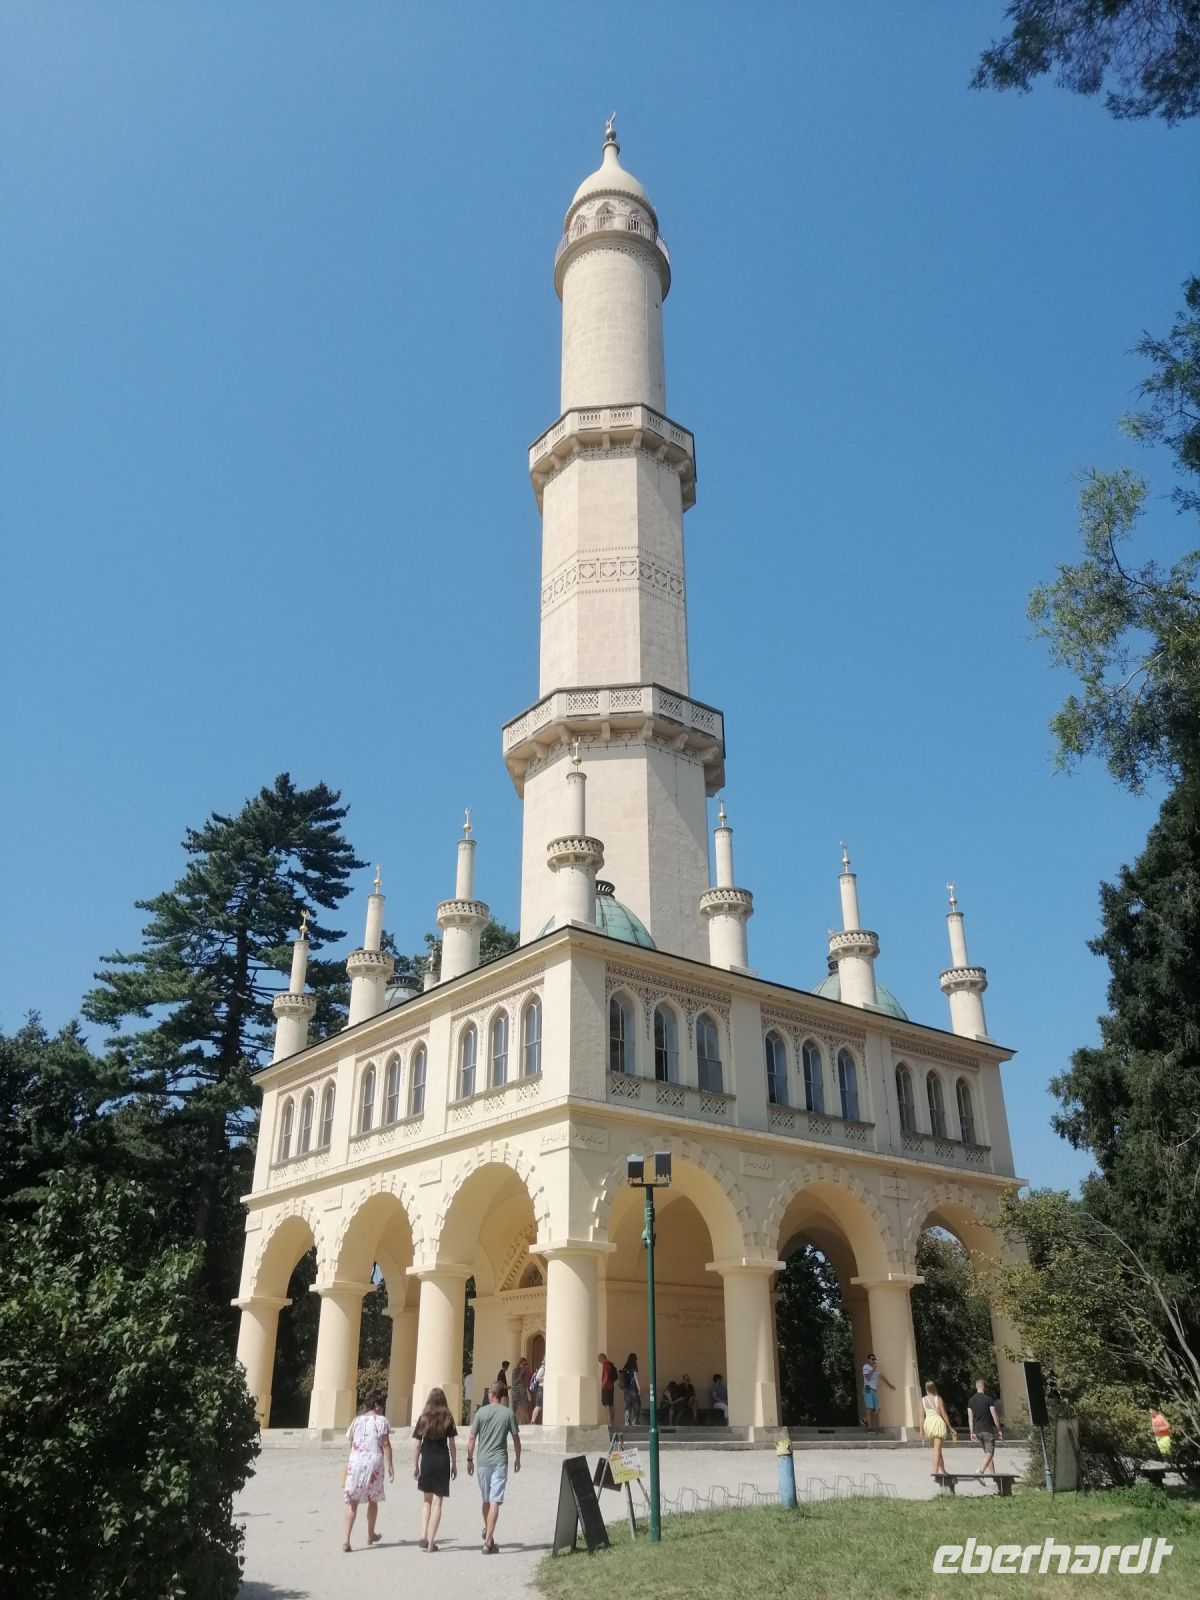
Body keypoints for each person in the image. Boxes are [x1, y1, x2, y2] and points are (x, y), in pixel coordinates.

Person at [467, 1382, 521, 1555]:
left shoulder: (481, 1412)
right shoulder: (508, 1413)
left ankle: (488, 1540)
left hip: (482, 1462)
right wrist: (518, 1458)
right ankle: (488, 1538)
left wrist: (469, 1459)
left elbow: (472, 1438)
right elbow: (516, 1438)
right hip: (500, 1461)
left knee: (487, 1500)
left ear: (491, 1394)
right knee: (494, 1501)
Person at [342, 1391, 393, 1552]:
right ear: (376, 1405)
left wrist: (357, 1454)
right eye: (381, 1405)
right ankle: (370, 1535)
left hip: (355, 1462)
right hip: (374, 1462)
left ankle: (346, 1540)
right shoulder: (381, 1421)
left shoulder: (356, 1421)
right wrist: (390, 1465)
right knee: (373, 1500)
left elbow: (350, 1440)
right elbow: (385, 1444)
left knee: (353, 1501)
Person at [412, 1386, 457, 1553]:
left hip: (427, 1461)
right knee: (438, 1502)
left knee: (426, 1501)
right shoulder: (448, 1418)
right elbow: (451, 1443)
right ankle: (431, 1543)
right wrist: (454, 1463)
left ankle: (423, 1535)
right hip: (442, 1462)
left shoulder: (423, 1418)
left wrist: (415, 1464)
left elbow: (417, 1444)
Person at [967, 1378, 1004, 1475]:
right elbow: (994, 1416)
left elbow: (970, 1418)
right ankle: (981, 1471)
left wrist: (972, 1433)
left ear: (976, 1387)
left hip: (978, 1430)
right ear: (984, 1386)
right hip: (987, 1430)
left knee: (987, 1454)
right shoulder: (988, 1399)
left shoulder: (971, 1401)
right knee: (990, 1453)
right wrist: (999, 1429)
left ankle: (994, 1476)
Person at [921, 1380, 955, 1478]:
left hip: (928, 1424)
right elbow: (944, 1414)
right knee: (937, 1449)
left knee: (937, 1449)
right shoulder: (938, 1399)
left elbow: (921, 1416)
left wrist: (921, 1430)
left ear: (926, 1389)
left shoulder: (922, 1400)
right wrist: (950, 1426)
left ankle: (943, 1470)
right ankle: (935, 1472)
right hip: (937, 1423)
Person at [861, 1353, 894, 1430]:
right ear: (868, 1360)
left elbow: (882, 1377)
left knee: (878, 1409)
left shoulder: (876, 1369)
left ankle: (865, 1420)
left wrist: (889, 1385)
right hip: (868, 1389)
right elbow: (868, 1378)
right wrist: (873, 1369)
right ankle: (869, 1427)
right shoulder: (866, 1367)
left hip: (874, 1390)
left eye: (874, 1359)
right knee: (869, 1408)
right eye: (872, 1359)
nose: (873, 1360)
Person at [620, 1353, 641, 1426]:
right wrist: (639, 1389)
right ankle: (635, 1421)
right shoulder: (634, 1366)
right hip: (633, 1389)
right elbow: (636, 1378)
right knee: (636, 1405)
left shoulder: (625, 1366)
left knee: (627, 1407)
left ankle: (626, 1422)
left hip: (626, 1390)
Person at [598, 1353, 618, 1428]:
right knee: (611, 1405)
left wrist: (602, 1386)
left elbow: (606, 1376)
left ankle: (609, 1422)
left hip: (606, 1387)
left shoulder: (605, 1365)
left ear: (602, 1358)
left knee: (606, 1405)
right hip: (611, 1386)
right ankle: (612, 1422)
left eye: (599, 1360)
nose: (599, 1361)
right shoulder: (610, 1364)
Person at [511, 1357, 531, 1424]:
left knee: (525, 1409)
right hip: (517, 1394)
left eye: (526, 1364)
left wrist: (527, 1372)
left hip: (523, 1393)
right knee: (516, 1410)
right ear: (520, 1363)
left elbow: (527, 1382)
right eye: (524, 1364)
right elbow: (515, 1382)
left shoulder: (525, 1371)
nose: (525, 1365)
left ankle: (525, 1424)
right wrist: (522, 1372)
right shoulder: (515, 1370)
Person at [529, 1358, 545, 1424]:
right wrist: (546, 1377)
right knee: (538, 1406)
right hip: (541, 1388)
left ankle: (533, 1421)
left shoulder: (544, 1368)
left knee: (540, 1406)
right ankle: (532, 1421)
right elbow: (537, 1378)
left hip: (542, 1389)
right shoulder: (543, 1368)